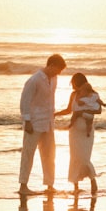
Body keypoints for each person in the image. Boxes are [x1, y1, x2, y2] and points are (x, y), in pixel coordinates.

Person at [19, 54, 66, 195]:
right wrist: (27, 121)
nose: (58, 73)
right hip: (34, 122)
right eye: (57, 70)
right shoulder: (34, 80)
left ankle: (50, 186)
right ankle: (23, 186)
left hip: (48, 122)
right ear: (51, 65)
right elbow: (25, 101)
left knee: (50, 155)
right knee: (28, 153)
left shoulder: (54, 79)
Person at [55, 72, 103, 194]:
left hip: (87, 130)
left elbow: (99, 110)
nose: (73, 86)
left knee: (84, 157)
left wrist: (82, 112)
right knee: (75, 157)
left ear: (79, 82)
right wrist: (56, 114)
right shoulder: (74, 95)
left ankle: (93, 180)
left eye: (74, 83)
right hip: (75, 130)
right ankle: (75, 186)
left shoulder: (93, 94)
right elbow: (68, 110)